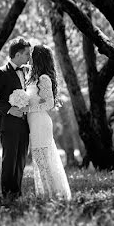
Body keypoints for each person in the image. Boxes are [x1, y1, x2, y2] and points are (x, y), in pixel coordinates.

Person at [0, 36, 32, 200]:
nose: (29, 57)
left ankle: (17, 193)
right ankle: (7, 195)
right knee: (10, 161)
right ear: (18, 54)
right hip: (9, 124)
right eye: (27, 54)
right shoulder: (1, 72)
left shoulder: (26, 72)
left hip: (24, 124)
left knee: (21, 161)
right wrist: (10, 109)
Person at [22, 44, 71, 199]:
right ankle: (49, 194)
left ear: (37, 58)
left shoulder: (44, 79)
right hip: (33, 123)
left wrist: (29, 109)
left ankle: (52, 195)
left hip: (40, 123)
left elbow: (49, 104)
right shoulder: (33, 78)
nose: (28, 57)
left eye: (31, 55)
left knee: (43, 160)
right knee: (40, 160)